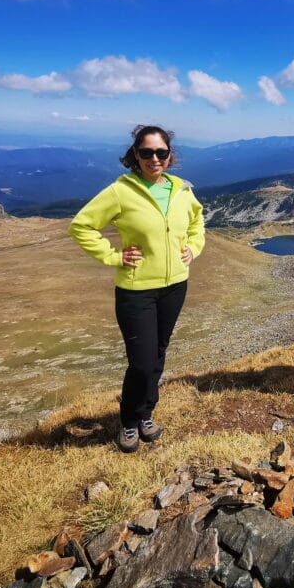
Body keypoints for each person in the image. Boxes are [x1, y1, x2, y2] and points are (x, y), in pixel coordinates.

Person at [68, 125, 205, 452]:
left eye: (161, 152)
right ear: (135, 156)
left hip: (175, 287)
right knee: (141, 361)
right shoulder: (120, 191)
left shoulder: (182, 189)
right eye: (146, 152)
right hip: (136, 291)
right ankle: (129, 420)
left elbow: (197, 222)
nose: (154, 158)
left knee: (157, 355)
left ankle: (146, 413)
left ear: (169, 156)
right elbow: (81, 226)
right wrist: (113, 256)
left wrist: (193, 247)